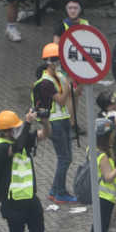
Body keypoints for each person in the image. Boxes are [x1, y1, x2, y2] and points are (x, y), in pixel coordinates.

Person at [34, 43, 76, 203]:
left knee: (67, 157)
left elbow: (72, 95)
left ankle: (54, 190)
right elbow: (62, 100)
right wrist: (68, 84)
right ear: (48, 62)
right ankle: (60, 193)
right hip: (54, 123)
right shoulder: (46, 83)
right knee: (64, 158)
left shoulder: (59, 75)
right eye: (56, 60)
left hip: (63, 120)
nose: (58, 63)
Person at [90, 119, 116, 232]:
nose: (114, 136)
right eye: (112, 134)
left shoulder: (92, 149)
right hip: (105, 196)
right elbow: (108, 177)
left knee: (97, 225)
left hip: (98, 194)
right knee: (102, 226)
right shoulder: (103, 156)